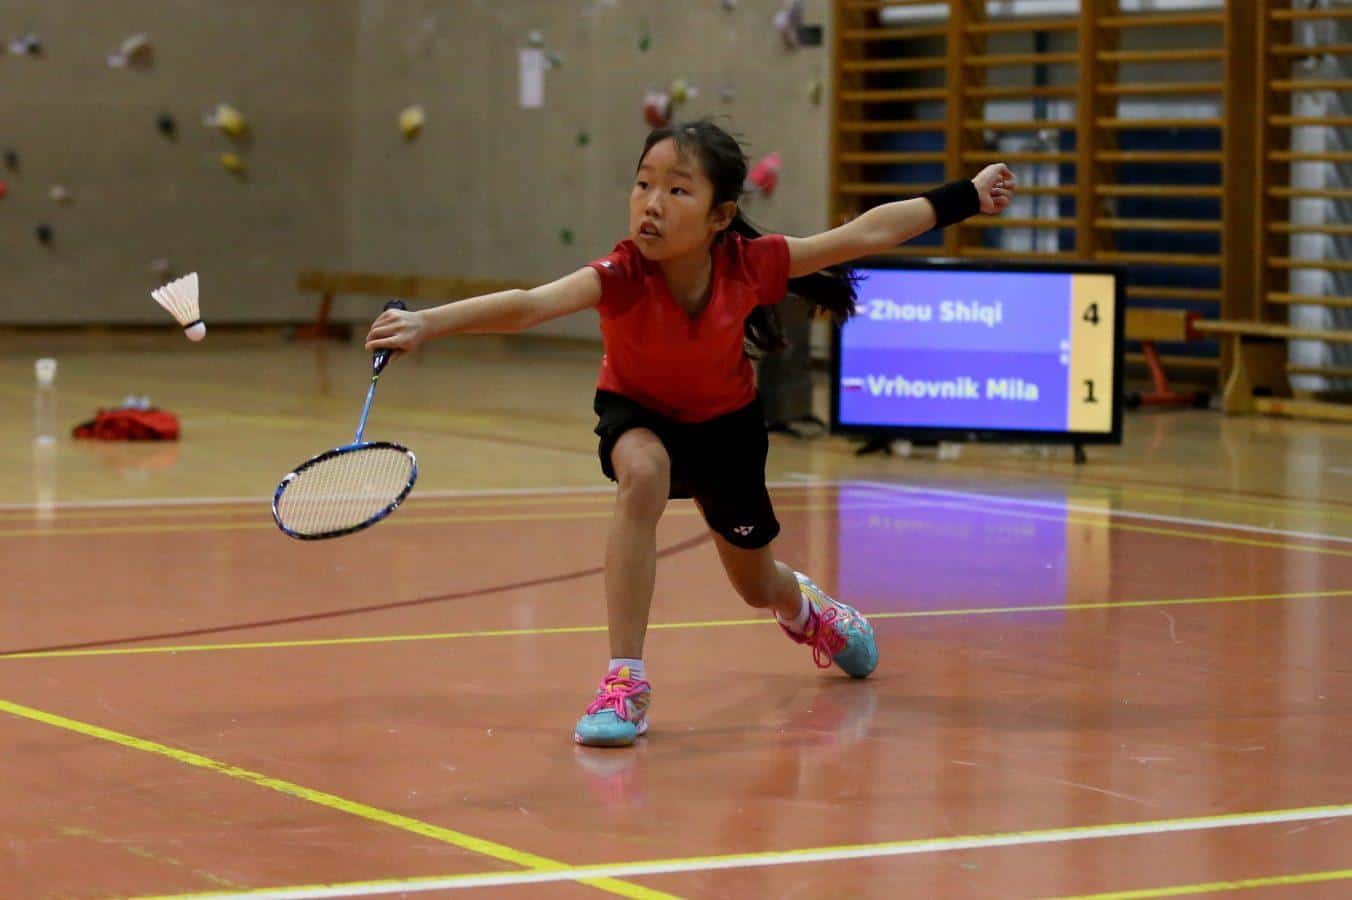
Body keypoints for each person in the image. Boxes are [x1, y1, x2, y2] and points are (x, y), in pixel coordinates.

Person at [365, 119, 1015, 748]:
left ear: (719, 216)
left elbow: (864, 232)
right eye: (642, 184)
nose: (652, 204)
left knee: (755, 586)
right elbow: (530, 304)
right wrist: (426, 325)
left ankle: (806, 611)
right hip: (637, 412)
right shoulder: (619, 275)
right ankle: (625, 681)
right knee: (642, 476)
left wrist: (967, 195)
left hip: (726, 431)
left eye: (677, 190)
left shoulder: (749, 265)